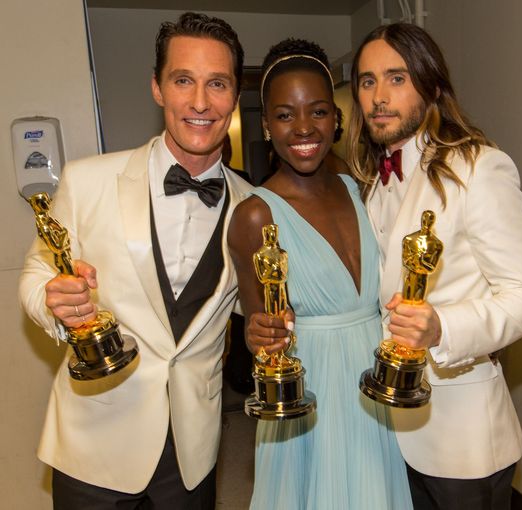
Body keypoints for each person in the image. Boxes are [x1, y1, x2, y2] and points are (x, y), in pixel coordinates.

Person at [19, 12, 252, 509]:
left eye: (217, 84)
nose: (199, 102)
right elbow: (39, 274)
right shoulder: (86, 181)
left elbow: (256, 307)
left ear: (233, 95)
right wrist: (53, 303)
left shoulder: (257, 208)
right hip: (96, 441)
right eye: (182, 80)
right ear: (157, 88)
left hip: (194, 451)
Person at [347, 23, 522, 509]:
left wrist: (442, 327)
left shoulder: (479, 166)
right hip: (392, 429)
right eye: (367, 80)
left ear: (431, 85)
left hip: (464, 442)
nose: (379, 96)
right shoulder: (375, 182)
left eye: (396, 79)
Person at [228, 38, 412, 510]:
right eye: (285, 115)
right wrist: (260, 334)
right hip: (311, 397)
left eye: (318, 111)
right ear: (265, 125)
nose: (304, 127)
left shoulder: (362, 188)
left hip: (374, 385)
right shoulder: (254, 216)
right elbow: (257, 332)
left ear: (337, 118)